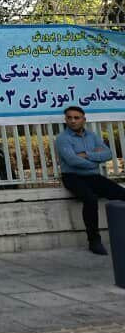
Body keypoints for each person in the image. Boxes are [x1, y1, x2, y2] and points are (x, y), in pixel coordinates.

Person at [55, 105, 125, 255]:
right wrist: (95, 161)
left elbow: (108, 154)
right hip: (72, 177)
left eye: (76, 118)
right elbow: (72, 160)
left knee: (122, 194)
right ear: (65, 120)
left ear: (83, 120)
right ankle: (94, 241)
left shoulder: (92, 136)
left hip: (93, 177)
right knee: (90, 199)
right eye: (69, 118)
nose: (73, 121)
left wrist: (87, 154)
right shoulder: (62, 139)